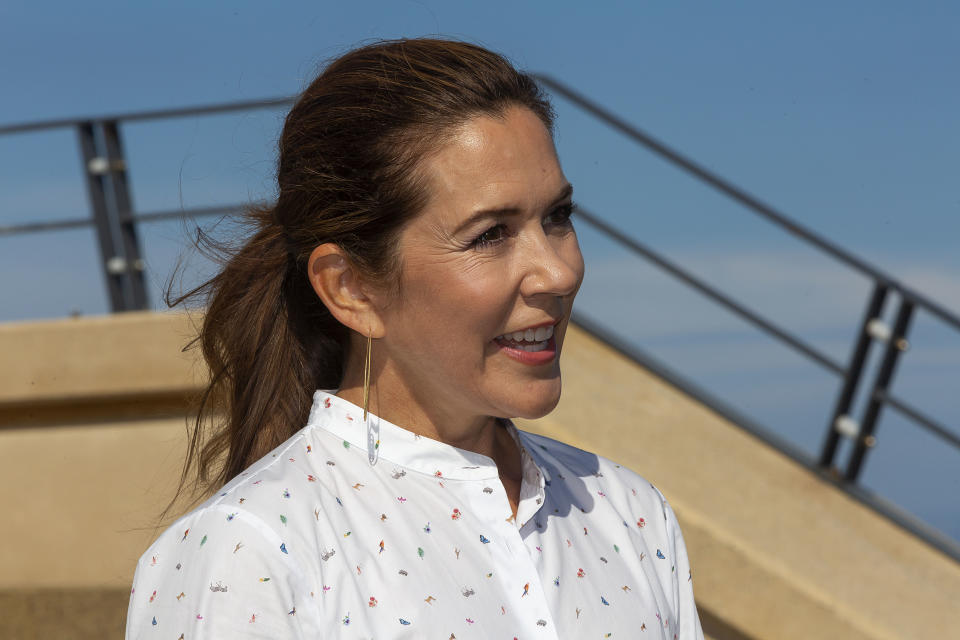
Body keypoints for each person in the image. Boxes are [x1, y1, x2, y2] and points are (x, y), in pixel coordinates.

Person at [125, 38, 705, 639]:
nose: (559, 273)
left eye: (557, 217)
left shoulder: (629, 515)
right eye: (490, 235)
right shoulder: (250, 551)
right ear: (350, 287)